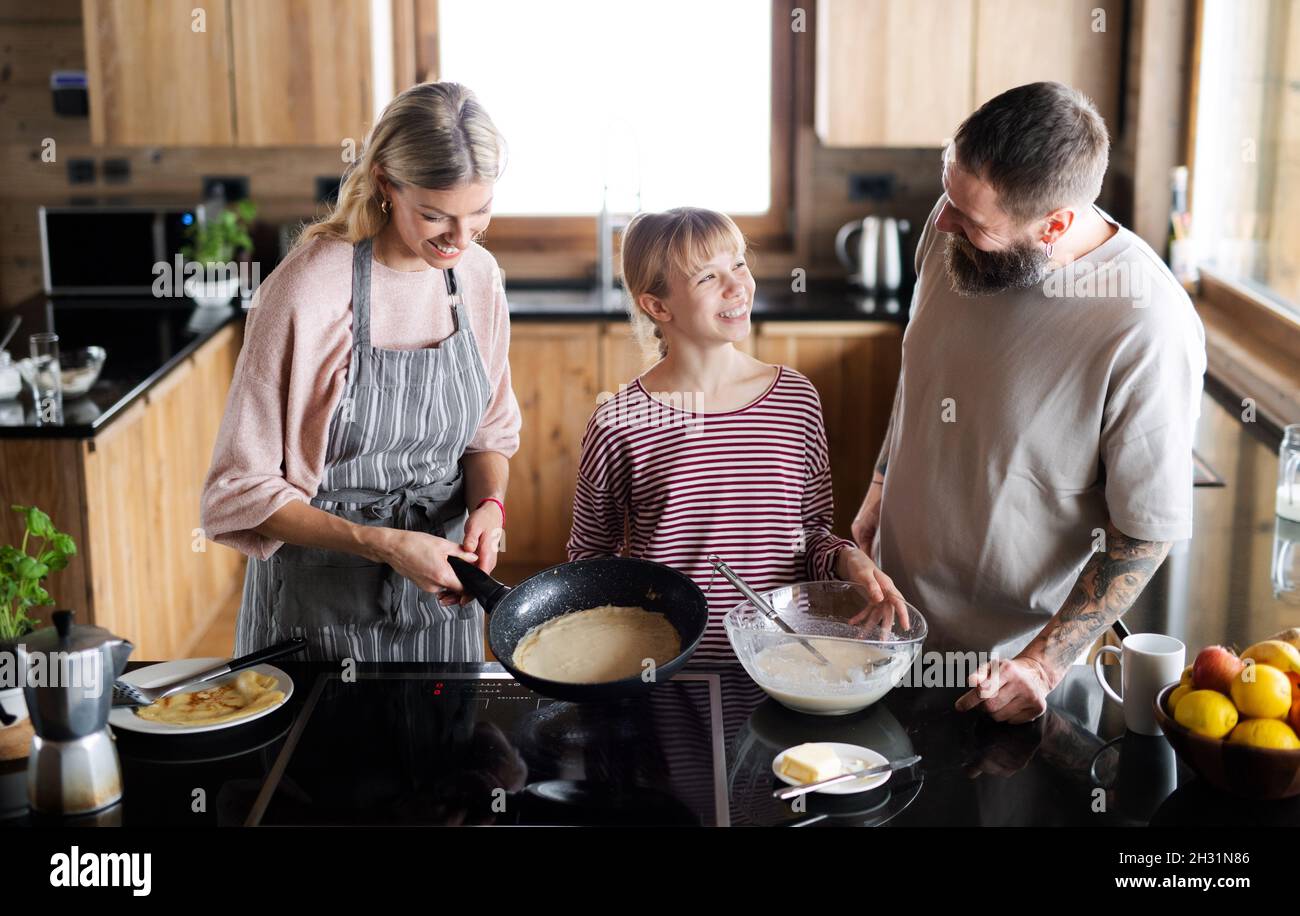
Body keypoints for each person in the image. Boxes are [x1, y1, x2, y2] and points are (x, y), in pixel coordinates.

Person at [851, 82, 1206, 722]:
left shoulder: (1145, 324)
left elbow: (1144, 531)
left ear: (1056, 225)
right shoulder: (952, 227)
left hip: (1004, 677)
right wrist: (881, 484)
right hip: (891, 630)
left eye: (973, 220)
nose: (943, 221)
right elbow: (923, 374)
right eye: (948, 193)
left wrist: (1041, 664)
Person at [200, 82, 520, 661]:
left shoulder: (477, 276)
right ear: (384, 185)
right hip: (319, 610)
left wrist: (489, 508)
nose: (460, 240)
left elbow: (488, 434)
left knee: (440, 748)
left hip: (440, 599)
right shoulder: (308, 290)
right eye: (435, 216)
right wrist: (383, 543)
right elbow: (238, 489)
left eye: (480, 214)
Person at [568, 207, 904, 660]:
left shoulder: (795, 399)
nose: (737, 286)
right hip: (668, 665)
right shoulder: (621, 420)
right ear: (657, 305)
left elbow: (811, 535)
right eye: (707, 277)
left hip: (780, 661)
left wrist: (849, 559)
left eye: (739, 263)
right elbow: (590, 560)